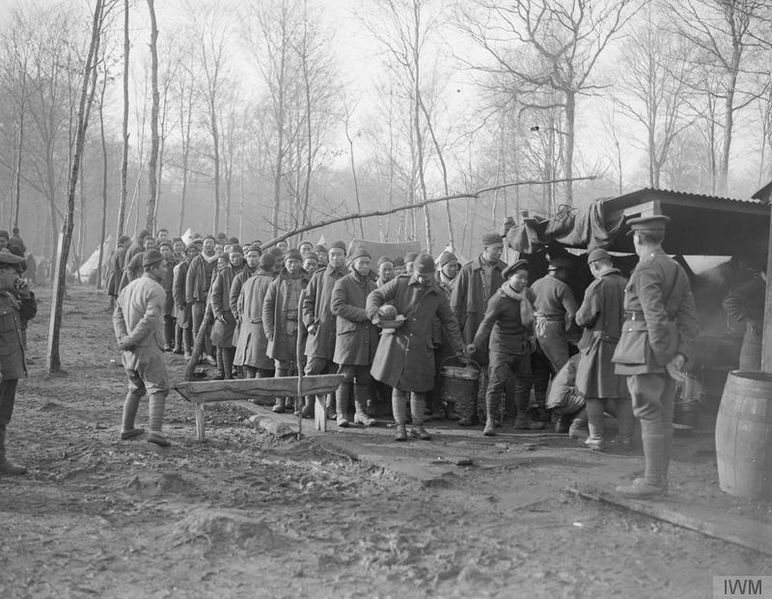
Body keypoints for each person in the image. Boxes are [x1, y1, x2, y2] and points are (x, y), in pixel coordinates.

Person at [612, 215, 699, 498]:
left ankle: (652, 483)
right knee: (663, 416)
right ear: (659, 238)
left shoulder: (646, 269)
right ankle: (658, 481)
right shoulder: (676, 268)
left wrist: (664, 357)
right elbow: (689, 319)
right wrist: (681, 355)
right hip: (666, 351)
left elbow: (654, 316)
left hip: (645, 350)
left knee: (649, 414)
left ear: (638, 239)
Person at [367, 253, 470, 441]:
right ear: (414, 272)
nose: (422, 279)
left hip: (422, 346)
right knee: (398, 386)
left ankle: (418, 426)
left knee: (419, 389)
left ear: (433, 273)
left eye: (426, 276)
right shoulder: (400, 282)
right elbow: (376, 294)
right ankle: (400, 427)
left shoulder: (437, 293)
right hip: (397, 343)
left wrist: (459, 348)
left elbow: (450, 322)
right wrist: (376, 314)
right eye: (419, 275)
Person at [469, 259, 541, 434]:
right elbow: (487, 323)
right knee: (496, 382)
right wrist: (476, 344)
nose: (523, 281)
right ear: (509, 277)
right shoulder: (498, 299)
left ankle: (521, 419)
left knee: (525, 380)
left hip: (522, 346)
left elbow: (531, 317)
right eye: (519, 278)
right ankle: (490, 421)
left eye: (526, 278)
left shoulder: (528, 295)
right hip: (501, 347)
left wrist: (531, 336)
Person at [575, 248, 633, 451]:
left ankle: (596, 438)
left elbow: (584, 318)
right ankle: (625, 438)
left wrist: (577, 316)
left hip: (600, 347)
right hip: (624, 346)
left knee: (593, 393)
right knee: (623, 395)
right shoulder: (627, 285)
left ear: (595, 266)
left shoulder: (598, 286)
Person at [112, 249, 172, 447]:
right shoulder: (155, 288)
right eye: (163, 266)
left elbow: (117, 315)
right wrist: (130, 339)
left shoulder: (128, 288)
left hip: (129, 351)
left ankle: (126, 428)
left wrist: (123, 338)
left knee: (136, 388)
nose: (166, 269)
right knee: (158, 388)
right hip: (148, 347)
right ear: (153, 267)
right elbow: (149, 320)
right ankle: (155, 431)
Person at [451, 232, 507, 425]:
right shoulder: (468, 271)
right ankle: (469, 413)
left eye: (501, 249)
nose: (499, 252)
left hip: (496, 330)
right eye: (495, 249)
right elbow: (456, 305)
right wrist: (457, 334)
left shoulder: (505, 270)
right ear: (485, 249)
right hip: (471, 329)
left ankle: (490, 415)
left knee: (493, 373)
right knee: (471, 371)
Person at [330, 247, 378, 427]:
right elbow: (337, 307)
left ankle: (360, 413)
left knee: (364, 377)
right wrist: (366, 314)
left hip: (368, 338)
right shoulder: (343, 283)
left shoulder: (373, 286)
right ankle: (342, 414)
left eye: (368, 263)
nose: (365, 266)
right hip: (349, 338)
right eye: (362, 263)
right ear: (353, 265)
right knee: (345, 375)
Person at [0, 250, 37, 474]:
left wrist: (25, 293)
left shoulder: (9, 295)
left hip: (10, 367)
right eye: (15, 273)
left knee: (3, 416)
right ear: (2, 271)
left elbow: (28, 314)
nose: (19, 277)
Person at [302, 241, 348, 419]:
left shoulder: (350, 277)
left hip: (341, 333)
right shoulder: (319, 276)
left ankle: (331, 409)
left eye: (339, 254)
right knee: (311, 370)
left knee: (335, 372)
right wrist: (310, 323)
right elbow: (307, 302)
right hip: (320, 332)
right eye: (332, 255)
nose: (335, 258)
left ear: (345, 256)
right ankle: (309, 405)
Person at [530, 255, 578, 422]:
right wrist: (567, 332)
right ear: (560, 271)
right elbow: (573, 314)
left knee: (540, 373)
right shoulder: (562, 287)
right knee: (562, 372)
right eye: (567, 272)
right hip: (553, 330)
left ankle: (542, 411)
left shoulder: (535, 284)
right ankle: (559, 415)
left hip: (535, 329)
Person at [263, 249, 307, 412]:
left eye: (295, 262)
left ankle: (297, 403)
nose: (292, 265)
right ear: (284, 263)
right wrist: (269, 330)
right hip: (283, 328)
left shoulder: (308, 281)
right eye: (289, 262)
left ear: (301, 263)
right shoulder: (277, 282)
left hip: (303, 329)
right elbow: (267, 307)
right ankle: (280, 401)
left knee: (299, 364)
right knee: (281, 365)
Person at [234, 253, 276, 379]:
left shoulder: (248, 281)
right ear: (272, 266)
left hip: (246, 327)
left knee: (249, 362)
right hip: (263, 328)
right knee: (262, 364)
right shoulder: (272, 282)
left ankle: (250, 394)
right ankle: (258, 395)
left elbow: (239, 304)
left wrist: (243, 320)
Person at [722, 264, 766, 371]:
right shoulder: (755, 285)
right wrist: (749, 321)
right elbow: (729, 302)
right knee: (751, 375)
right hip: (755, 340)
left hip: (766, 338)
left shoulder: (766, 286)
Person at [210, 244, 245, 379]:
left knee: (241, 345)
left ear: (242, 256)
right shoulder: (224, 273)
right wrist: (218, 313)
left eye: (237, 256)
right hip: (226, 314)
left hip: (242, 314)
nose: (235, 259)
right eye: (232, 257)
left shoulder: (248, 272)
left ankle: (241, 375)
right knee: (225, 345)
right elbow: (215, 294)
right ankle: (227, 374)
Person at [186, 235, 218, 366]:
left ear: (214, 245)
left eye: (211, 243)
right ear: (203, 245)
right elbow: (190, 279)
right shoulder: (197, 260)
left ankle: (210, 354)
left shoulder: (218, 259)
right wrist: (190, 297)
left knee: (210, 327)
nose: (208, 245)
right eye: (206, 243)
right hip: (198, 298)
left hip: (212, 299)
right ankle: (198, 354)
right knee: (197, 326)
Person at [173, 243, 198, 358]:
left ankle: (196, 350)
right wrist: (179, 301)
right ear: (186, 253)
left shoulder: (198, 264)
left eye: (194, 251)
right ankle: (187, 350)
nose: (192, 254)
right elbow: (177, 286)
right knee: (186, 325)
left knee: (195, 325)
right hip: (184, 300)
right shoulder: (182, 266)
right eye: (190, 252)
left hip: (196, 300)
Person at [158, 241, 177, 352]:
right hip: (163, 292)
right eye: (162, 250)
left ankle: (174, 340)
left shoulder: (175, 263)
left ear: (171, 251)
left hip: (173, 292)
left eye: (166, 250)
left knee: (173, 318)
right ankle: (166, 342)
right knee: (165, 317)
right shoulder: (158, 265)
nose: (164, 252)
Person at [106, 236, 131, 312]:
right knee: (119, 294)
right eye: (129, 241)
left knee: (115, 294)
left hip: (114, 275)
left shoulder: (117, 250)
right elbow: (122, 266)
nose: (130, 243)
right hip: (118, 276)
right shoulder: (123, 251)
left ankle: (114, 309)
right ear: (124, 243)